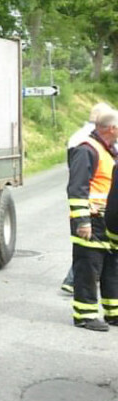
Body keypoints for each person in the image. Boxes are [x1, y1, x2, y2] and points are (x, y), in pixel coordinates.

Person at [66, 107, 118, 331]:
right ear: (112, 128)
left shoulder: (108, 151)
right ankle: (84, 316)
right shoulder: (86, 150)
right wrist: (83, 222)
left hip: (107, 221)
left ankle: (113, 313)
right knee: (88, 269)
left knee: (111, 268)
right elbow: (76, 189)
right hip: (91, 220)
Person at [61, 102, 113, 293]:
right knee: (90, 258)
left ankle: (73, 281)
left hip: (94, 210)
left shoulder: (79, 137)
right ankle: (74, 283)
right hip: (94, 211)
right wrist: (83, 219)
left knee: (91, 257)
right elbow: (79, 185)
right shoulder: (90, 145)